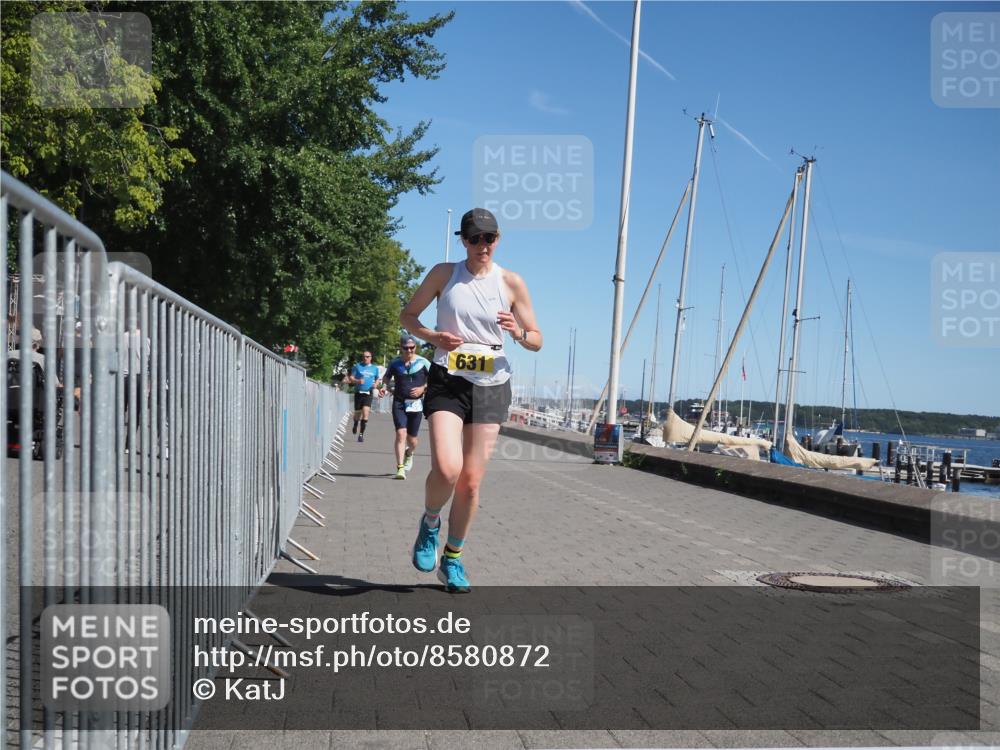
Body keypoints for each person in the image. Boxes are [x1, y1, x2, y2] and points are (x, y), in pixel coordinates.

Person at [400, 208, 542, 592]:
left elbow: (536, 339)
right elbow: (408, 316)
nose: (484, 245)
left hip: (492, 385)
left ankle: (453, 559)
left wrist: (517, 333)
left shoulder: (511, 282)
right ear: (463, 240)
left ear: (498, 239)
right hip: (449, 380)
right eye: (476, 238)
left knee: (471, 482)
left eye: (490, 238)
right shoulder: (444, 274)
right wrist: (433, 338)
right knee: (447, 469)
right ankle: (430, 522)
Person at [380, 335, 432, 479]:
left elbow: (436, 379)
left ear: (415, 347)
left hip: (416, 404)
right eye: (406, 348)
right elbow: (386, 378)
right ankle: (400, 468)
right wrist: (383, 387)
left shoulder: (423, 362)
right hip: (399, 403)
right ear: (401, 348)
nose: (409, 350)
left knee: (412, 440)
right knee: (401, 434)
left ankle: (409, 453)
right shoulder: (395, 363)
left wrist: (423, 388)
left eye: (412, 348)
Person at [348, 351, 381, 442]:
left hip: (368, 393)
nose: (365, 358)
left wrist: (376, 384)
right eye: (364, 356)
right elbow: (351, 378)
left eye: (367, 356)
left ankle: (361, 435)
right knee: (357, 414)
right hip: (358, 393)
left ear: (371, 357)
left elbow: (377, 378)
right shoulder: (357, 366)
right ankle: (355, 424)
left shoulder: (375, 368)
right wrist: (357, 381)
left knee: (366, 413)